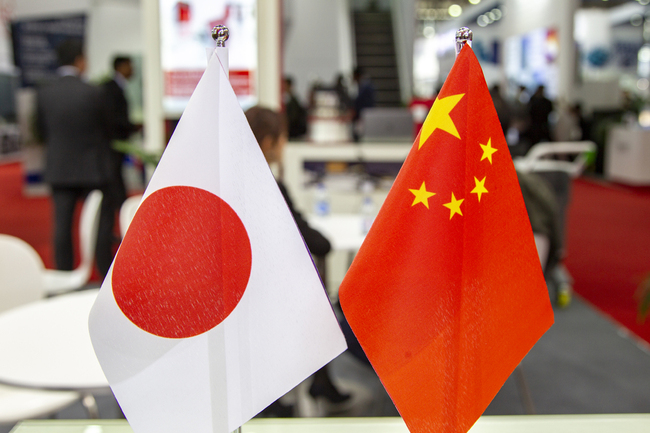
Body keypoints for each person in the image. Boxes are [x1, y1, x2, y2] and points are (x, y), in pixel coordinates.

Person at [244, 106, 349, 416]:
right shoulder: (266, 184)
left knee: (314, 298)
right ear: (267, 143)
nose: (285, 145)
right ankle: (304, 388)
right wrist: (325, 244)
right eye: (282, 139)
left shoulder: (238, 180)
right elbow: (302, 234)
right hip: (263, 292)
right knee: (318, 301)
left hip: (248, 286)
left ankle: (318, 382)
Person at [36, 39, 114, 277]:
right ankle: (103, 273)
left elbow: (40, 132)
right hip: (93, 169)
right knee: (100, 224)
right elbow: (107, 129)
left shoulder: (45, 93)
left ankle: (64, 275)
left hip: (60, 168)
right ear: (80, 61)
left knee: (62, 226)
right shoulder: (93, 92)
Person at [102, 56, 139, 254]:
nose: (132, 69)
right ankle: (120, 232)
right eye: (129, 66)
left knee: (119, 190)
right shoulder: (111, 88)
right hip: (113, 148)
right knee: (116, 191)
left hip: (117, 148)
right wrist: (132, 128)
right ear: (121, 67)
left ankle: (122, 230)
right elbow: (113, 119)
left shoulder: (116, 87)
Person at [352, 66, 376, 141]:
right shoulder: (365, 84)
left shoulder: (365, 86)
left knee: (362, 133)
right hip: (365, 113)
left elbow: (359, 101)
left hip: (365, 113)